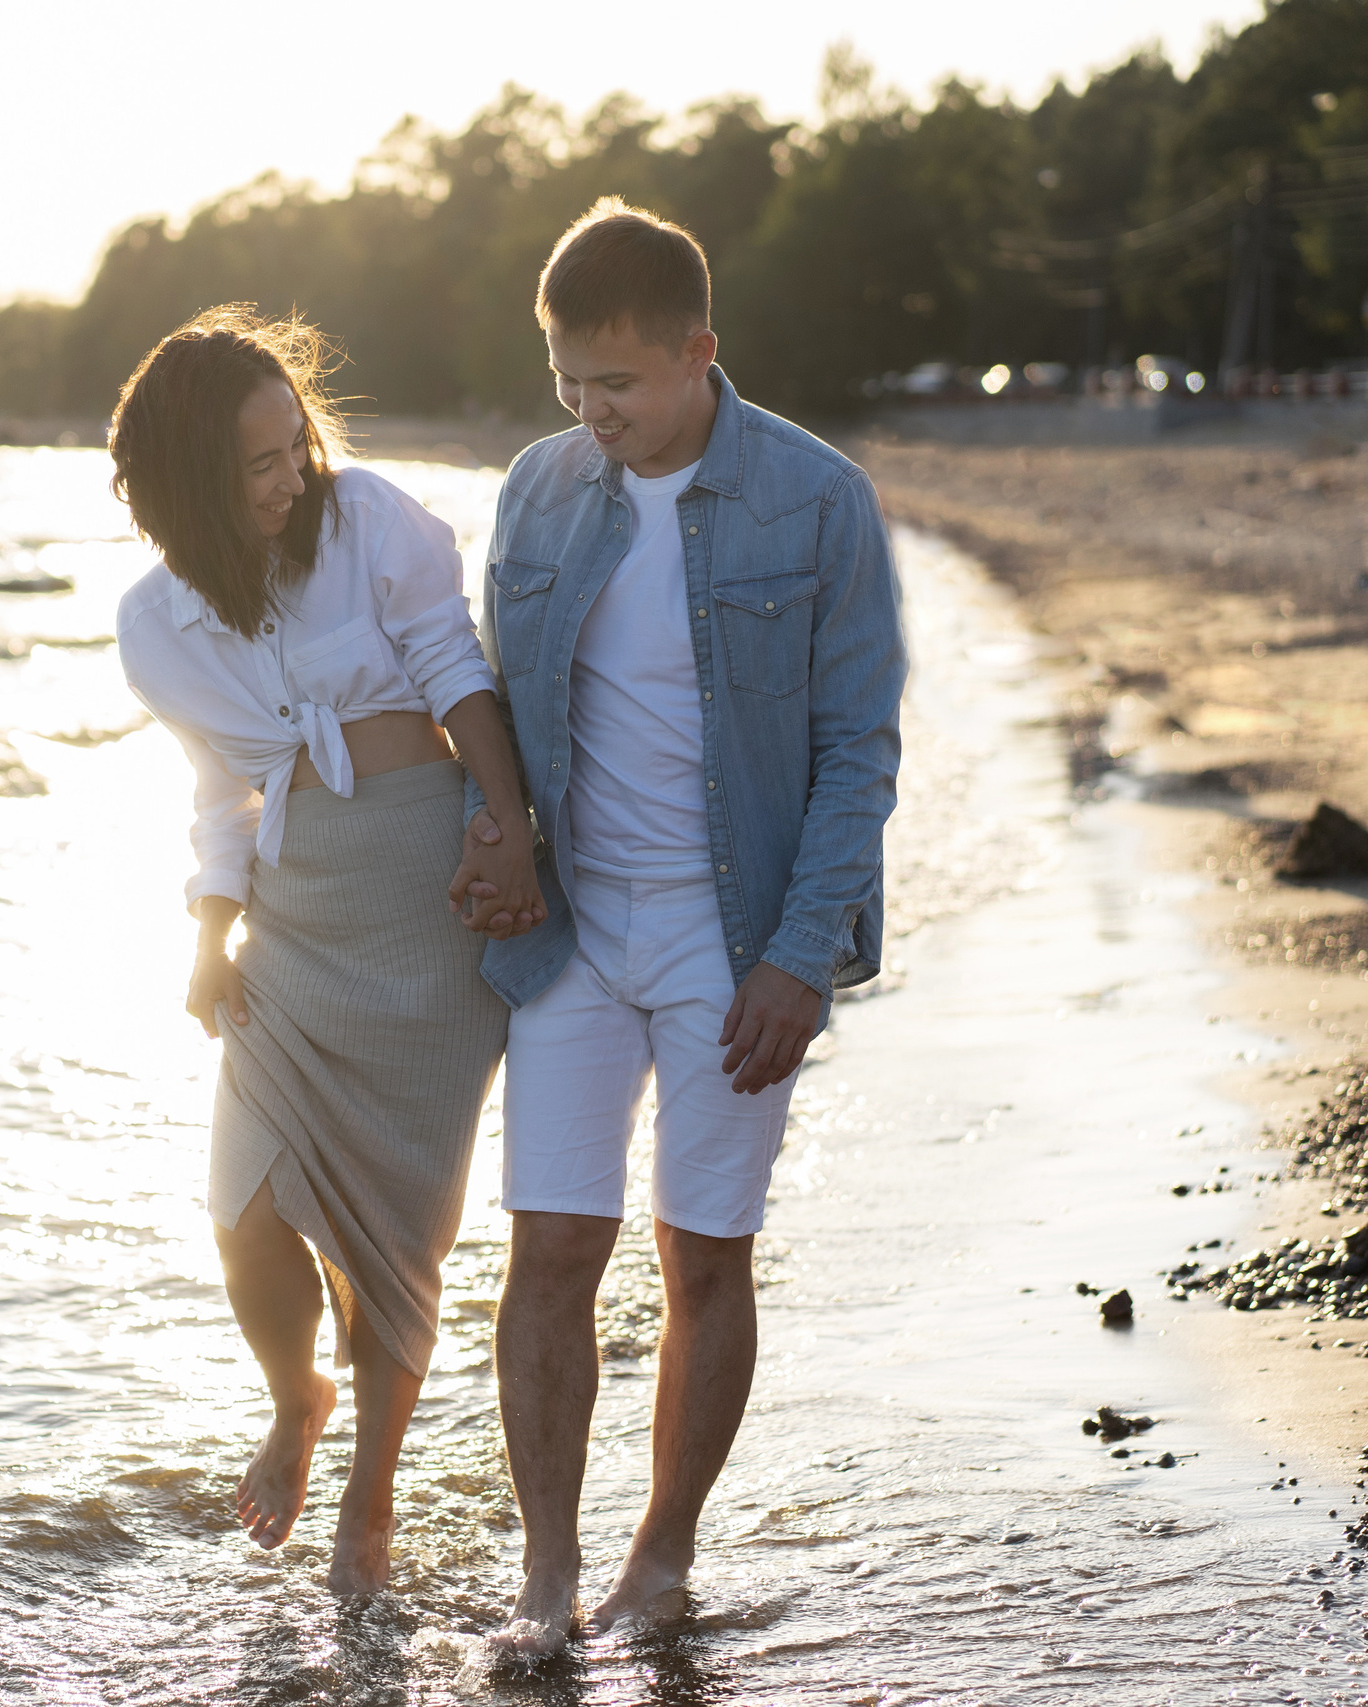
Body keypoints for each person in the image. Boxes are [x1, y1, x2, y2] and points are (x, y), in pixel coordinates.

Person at [445, 200, 905, 1654]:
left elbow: (859, 752)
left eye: (622, 386)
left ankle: (661, 1558)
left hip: (735, 936)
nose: (595, 415)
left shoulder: (817, 500)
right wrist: (497, 824)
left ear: (702, 352)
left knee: (705, 1254)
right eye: (569, 384)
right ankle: (542, 1582)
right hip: (573, 934)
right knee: (551, 1249)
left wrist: (796, 959)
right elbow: (498, 705)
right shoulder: (538, 486)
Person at [111, 306, 544, 1596]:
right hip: (296, 924)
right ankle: (295, 1398)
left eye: (294, 442)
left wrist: (509, 829)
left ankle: (369, 1493)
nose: (293, 473)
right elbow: (220, 794)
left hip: (430, 900)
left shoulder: (366, 525)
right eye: (259, 462)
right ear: (191, 481)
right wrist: (207, 933)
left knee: (399, 1231)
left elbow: (454, 669)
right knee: (245, 1212)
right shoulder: (153, 630)